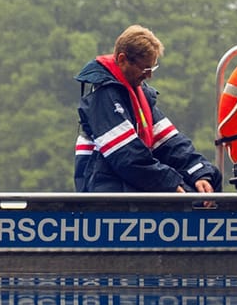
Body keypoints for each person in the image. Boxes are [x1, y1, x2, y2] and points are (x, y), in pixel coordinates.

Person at [73, 25, 221, 193]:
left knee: (208, 181)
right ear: (122, 60)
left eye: (153, 68)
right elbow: (128, 158)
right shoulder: (103, 96)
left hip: (127, 185)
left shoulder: (138, 94)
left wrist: (199, 173)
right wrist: (170, 184)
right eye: (145, 69)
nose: (149, 76)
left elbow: (171, 143)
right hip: (106, 192)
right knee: (188, 198)